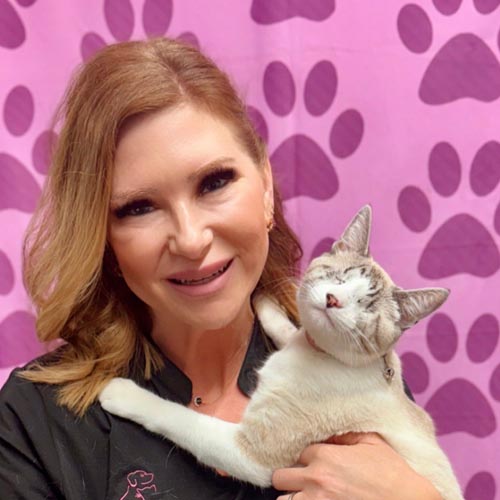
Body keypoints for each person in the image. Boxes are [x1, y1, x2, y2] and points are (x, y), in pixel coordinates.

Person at [0, 37, 441, 500]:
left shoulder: (353, 359)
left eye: (214, 182)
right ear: (103, 237)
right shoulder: (33, 425)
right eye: (138, 208)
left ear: (266, 186)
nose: (191, 240)